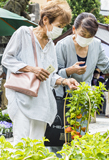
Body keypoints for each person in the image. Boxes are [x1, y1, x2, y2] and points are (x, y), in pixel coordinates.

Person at [2, 0, 79, 145]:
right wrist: (31, 69)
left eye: (63, 27)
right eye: (59, 26)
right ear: (45, 20)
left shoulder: (51, 45)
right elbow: (7, 59)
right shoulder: (23, 33)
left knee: (36, 145)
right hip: (21, 96)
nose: (60, 30)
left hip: (41, 101)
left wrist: (65, 81)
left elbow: (51, 75)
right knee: (21, 143)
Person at [55, 12, 109, 133]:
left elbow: (107, 64)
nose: (86, 39)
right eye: (83, 34)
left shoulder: (96, 44)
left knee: (81, 133)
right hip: (64, 97)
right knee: (61, 135)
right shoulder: (62, 45)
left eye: (90, 36)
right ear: (74, 29)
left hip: (84, 97)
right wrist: (70, 71)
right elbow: (55, 73)